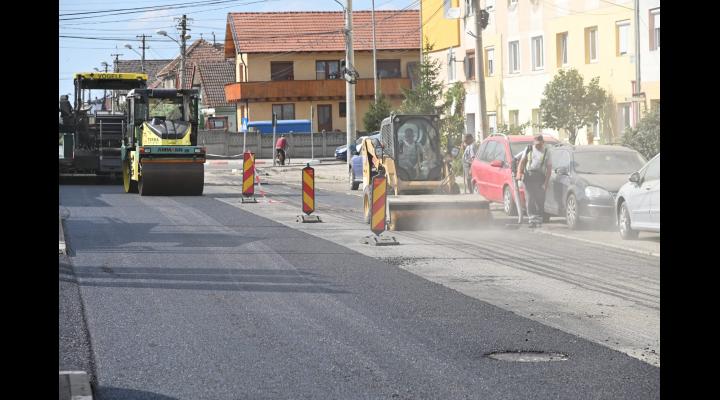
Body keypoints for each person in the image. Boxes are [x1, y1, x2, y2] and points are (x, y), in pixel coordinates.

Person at [516, 135, 552, 228]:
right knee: (530, 199)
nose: (537, 146)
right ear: (533, 143)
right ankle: (532, 220)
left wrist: (546, 183)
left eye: (539, 144)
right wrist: (519, 173)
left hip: (540, 177)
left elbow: (549, 169)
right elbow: (522, 162)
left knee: (540, 200)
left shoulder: (547, 151)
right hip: (529, 177)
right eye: (536, 144)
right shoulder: (528, 149)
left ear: (543, 143)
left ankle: (539, 219)